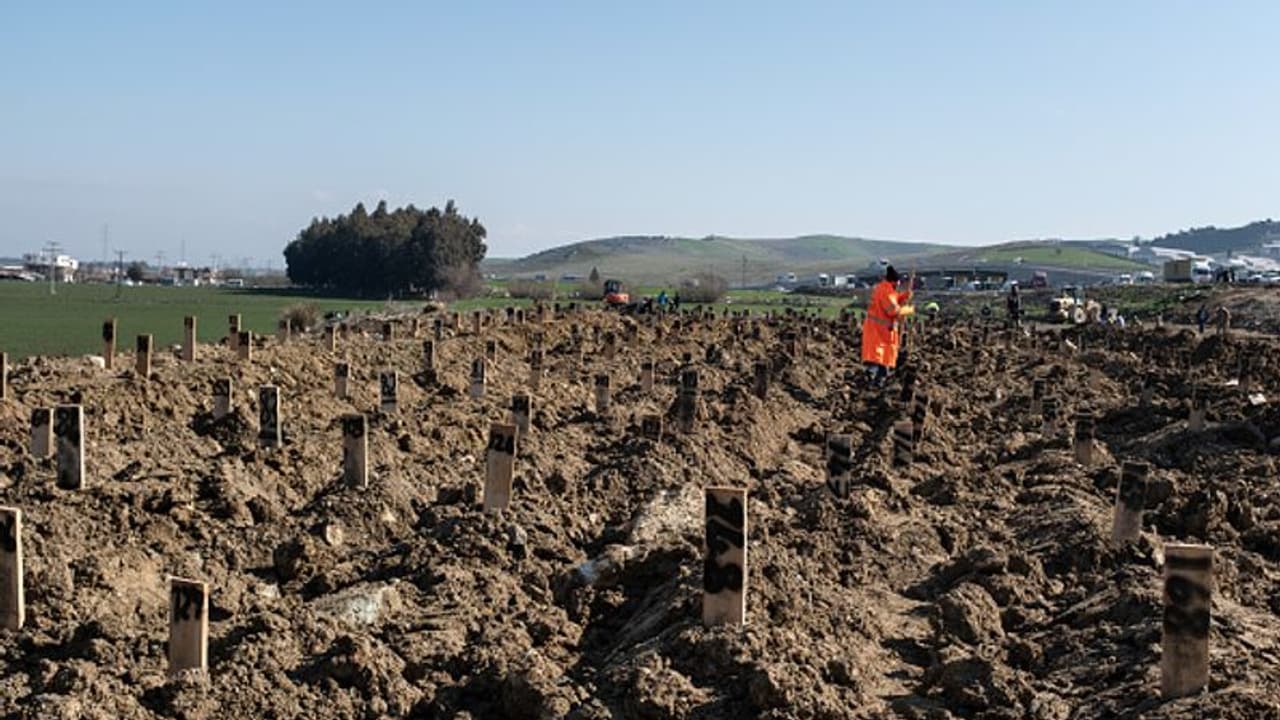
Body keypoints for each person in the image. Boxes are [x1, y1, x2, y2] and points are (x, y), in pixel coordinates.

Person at [861, 265, 914, 386]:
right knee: (880, 356)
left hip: (879, 329)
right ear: (894, 281)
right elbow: (893, 310)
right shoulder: (887, 291)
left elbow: (894, 300)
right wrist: (908, 309)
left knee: (880, 356)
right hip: (881, 330)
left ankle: (875, 379)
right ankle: (875, 379)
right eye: (898, 282)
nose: (899, 285)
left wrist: (904, 296)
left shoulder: (884, 288)